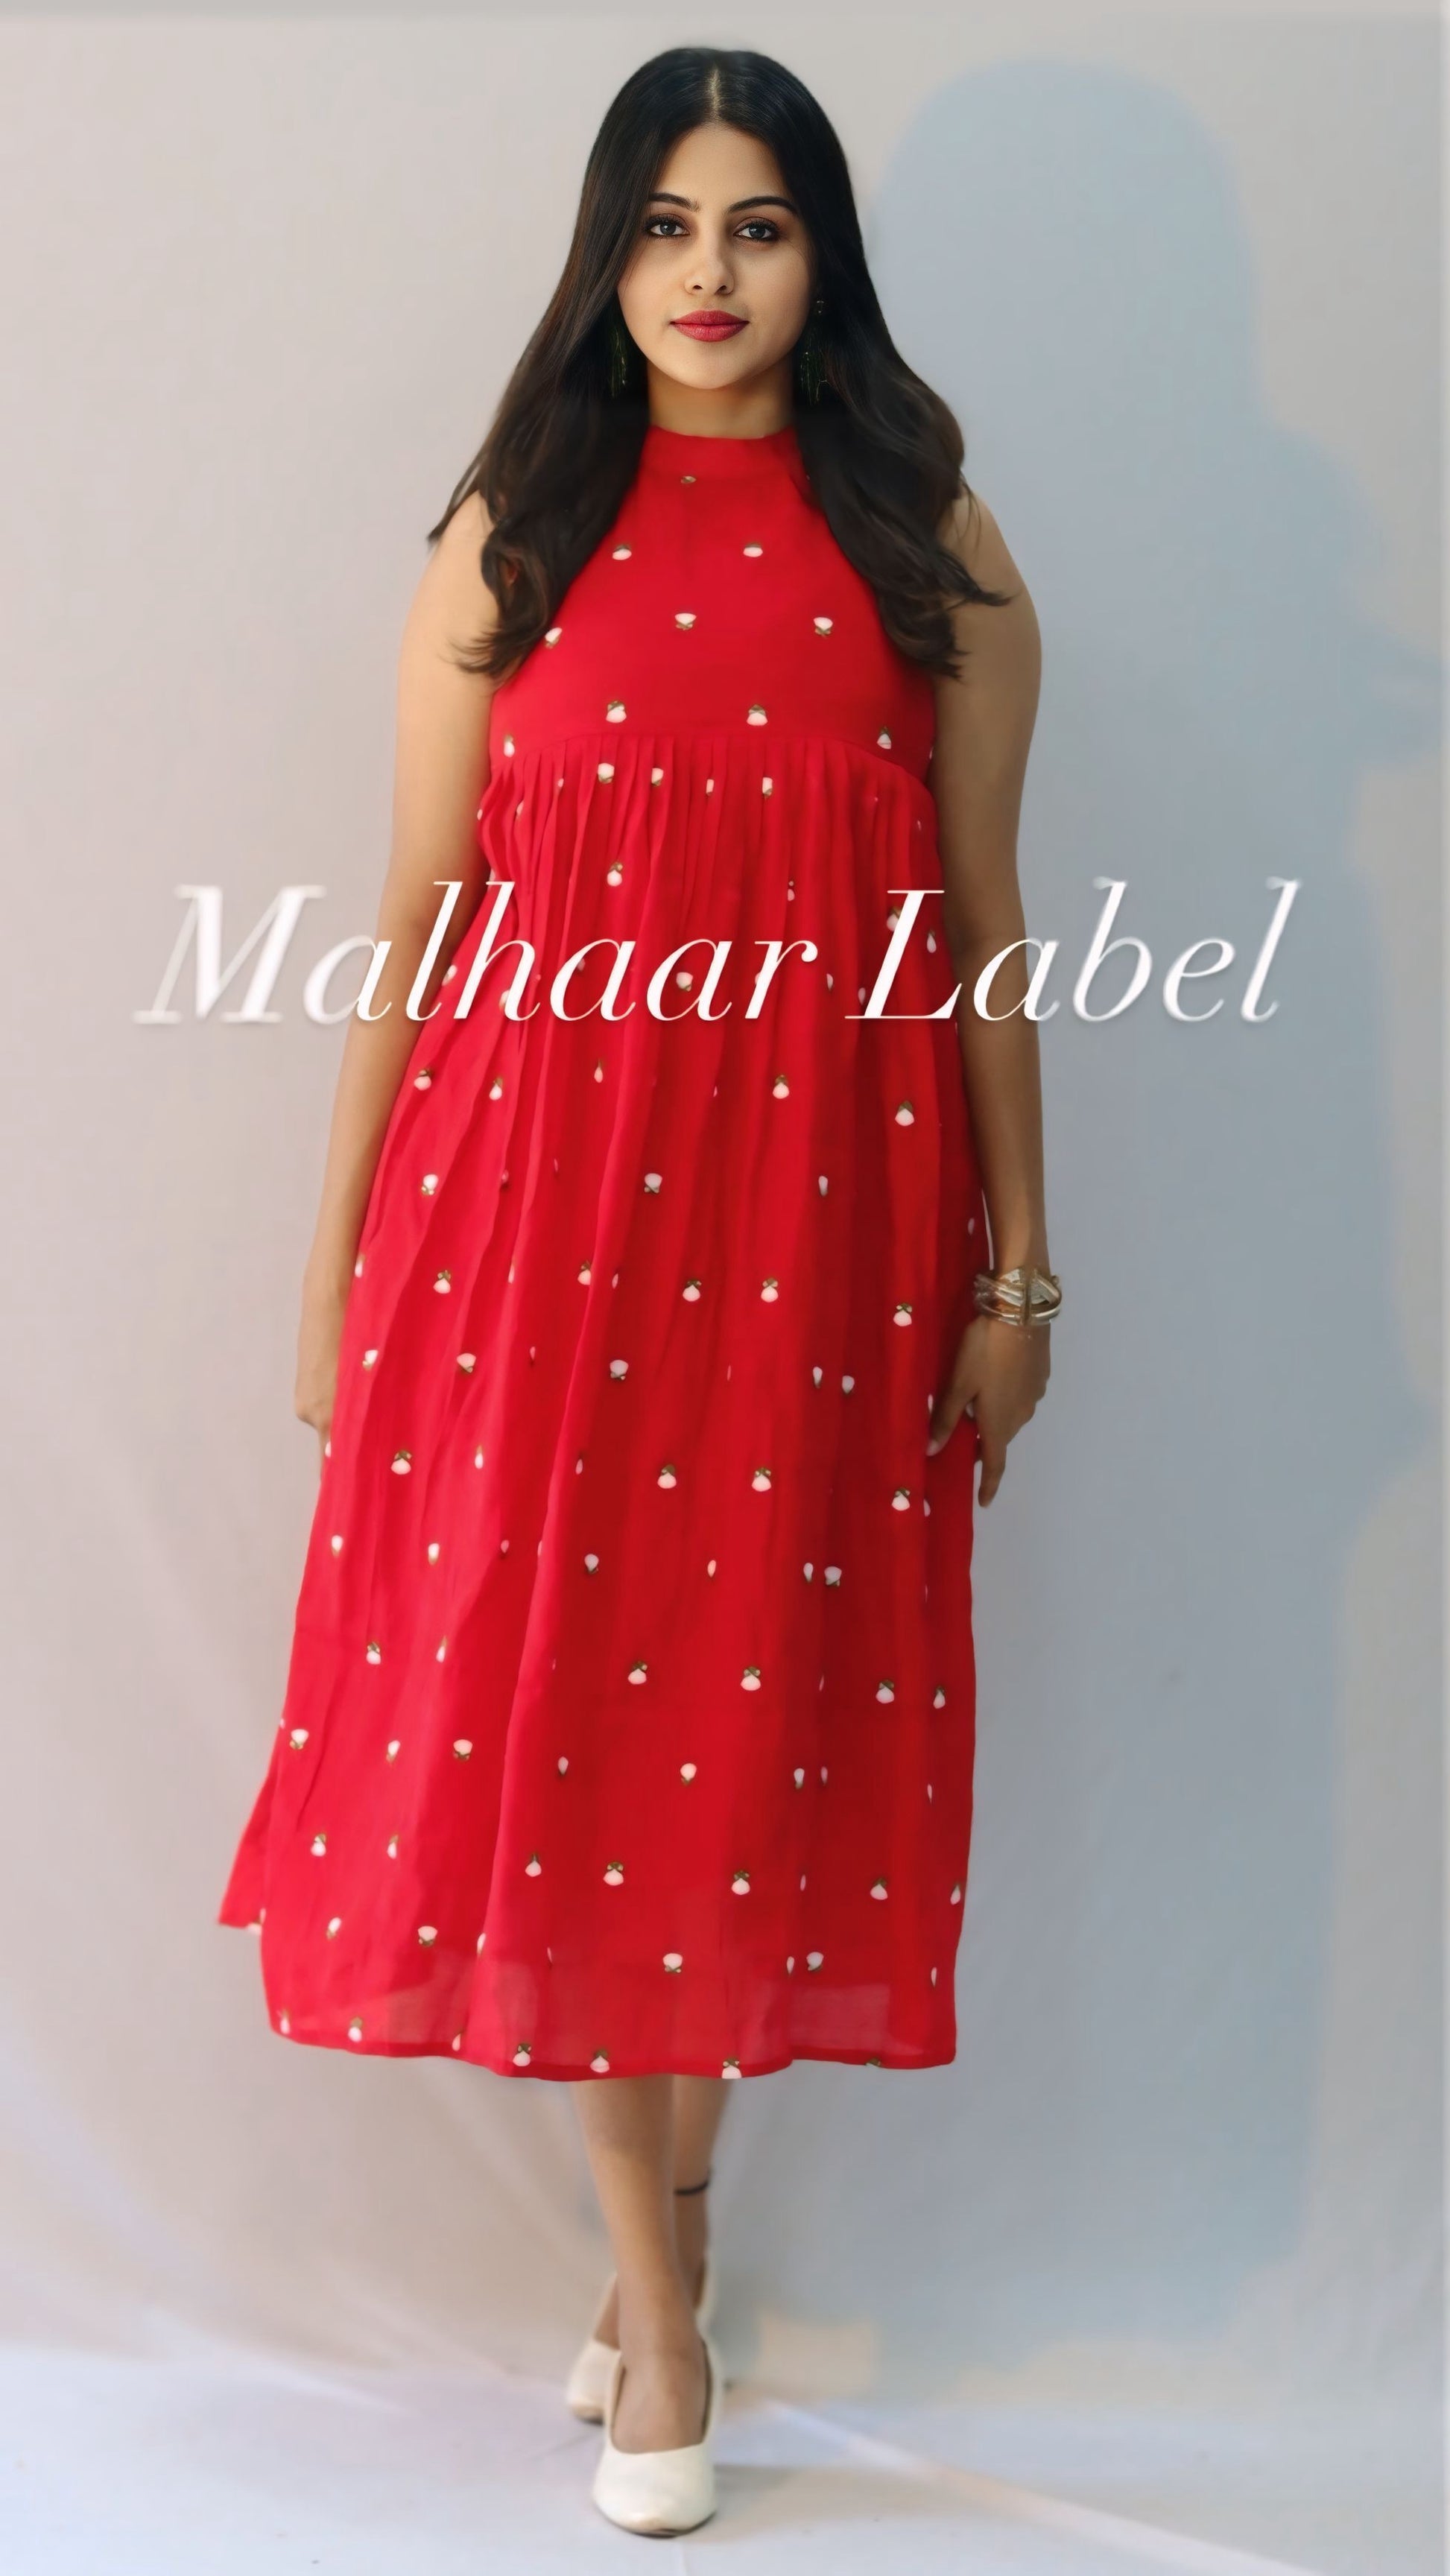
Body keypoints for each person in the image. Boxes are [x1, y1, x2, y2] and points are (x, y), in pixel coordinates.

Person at [217, 43, 1051, 2539]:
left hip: (821, 1235)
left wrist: (1020, 1270)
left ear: (821, 258)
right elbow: (412, 922)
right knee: (583, 1724)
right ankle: (667, 2311)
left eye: (759, 224)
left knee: (741, 1721)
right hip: (532, 1233)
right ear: (605, 254)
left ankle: (656, 2248)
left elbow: (986, 934)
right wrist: (336, 1266)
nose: (708, 273)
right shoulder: (520, 530)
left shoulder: (923, 537)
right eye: (666, 224)